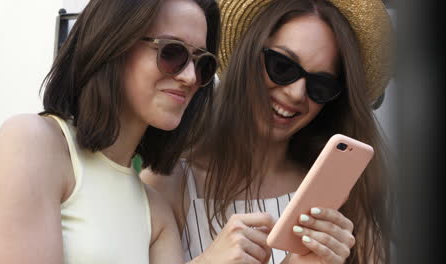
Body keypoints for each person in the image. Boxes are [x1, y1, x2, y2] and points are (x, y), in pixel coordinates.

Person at [141, 0, 393, 263]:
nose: (296, 93)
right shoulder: (170, 183)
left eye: (321, 85)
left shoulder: (345, 196)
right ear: (247, 54)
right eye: (282, 67)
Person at [0, 0, 220, 263]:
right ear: (114, 43)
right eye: (172, 53)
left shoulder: (156, 213)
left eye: (202, 64)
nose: (190, 77)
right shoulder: (32, 143)